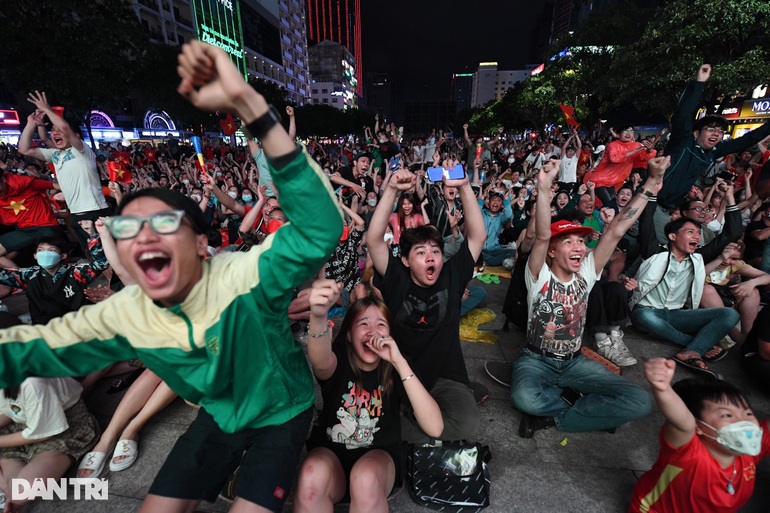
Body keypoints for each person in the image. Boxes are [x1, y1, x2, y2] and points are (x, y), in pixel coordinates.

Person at [0, 40, 343, 513]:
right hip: (220, 414)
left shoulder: (245, 275)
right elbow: (37, 348)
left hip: (280, 414)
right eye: (129, 229)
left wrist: (251, 105)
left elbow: (320, 227)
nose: (144, 237)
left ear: (202, 245)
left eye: (164, 223)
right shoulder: (130, 310)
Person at [510, 157, 662, 438]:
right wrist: (544, 189)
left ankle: (555, 417)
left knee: (641, 401)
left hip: (575, 361)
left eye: (581, 241)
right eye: (569, 241)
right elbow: (542, 237)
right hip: (536, 360)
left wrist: (651, 183)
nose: (579, 246)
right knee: (524, 398)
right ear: (553, 252)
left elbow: (617, 229)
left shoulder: (588, 273)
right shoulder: (539, 275)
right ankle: (583, 408)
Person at [294, 280, 442, 512]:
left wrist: (399, 362)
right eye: (363, 323)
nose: (373, 331)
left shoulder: (396, 369)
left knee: (366, 479)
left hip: (379, 458)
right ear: (350, 336)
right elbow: (320, 360)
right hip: (330, 455)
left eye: (381, 324)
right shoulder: (338, 361)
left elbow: (435, 428)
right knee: (311, 476)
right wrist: (319, 315)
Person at [367, 161, 486, 444]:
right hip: (399, 372)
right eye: (421, 252)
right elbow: (374, 241)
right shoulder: (397, 278)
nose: (431, 257)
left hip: (446, 376)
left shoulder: (451, 275)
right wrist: (393, 189)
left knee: (466, 424)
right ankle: (417, 426)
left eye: (435, 251)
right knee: (368, 414)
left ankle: (405, 430)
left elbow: (477, 236)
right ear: (406, 261)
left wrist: (465, 186)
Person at [629, 181, 743, 377]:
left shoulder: (698, 258)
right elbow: (647, 220)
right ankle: (695, 346)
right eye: (690, 232)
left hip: (677, 316)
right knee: (644, 316)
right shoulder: (654, 252)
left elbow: (731, 233)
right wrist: (653, 194)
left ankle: (691, 350)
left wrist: (730, 197)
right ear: (672, 236)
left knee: (730, 315)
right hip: (648, 313)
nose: (697, 237)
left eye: (698, 233)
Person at [629, 359, 770, 512]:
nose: (743, 421)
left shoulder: (750, 449)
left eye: (748, 413)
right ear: (698, 425)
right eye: (727, 415)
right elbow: (683, 423)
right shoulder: (688, 453)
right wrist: (663, 389)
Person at [18, 93, 112, 252]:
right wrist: (31, 123)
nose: (55, 133)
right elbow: (24, 149)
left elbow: (64, 127)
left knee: (111, 255)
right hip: (76, 215)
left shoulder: (82, 150)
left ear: (75, 136)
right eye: (52, 130)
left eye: (58, 131)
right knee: (93, 258)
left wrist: (47, 109)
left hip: (96, 213)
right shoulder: (55, 155)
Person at [0, 222, 108, 325]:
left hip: (78, 323)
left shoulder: (75, 272)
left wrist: (93, 235)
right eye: (41, 250)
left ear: (63, 256)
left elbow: (100, 264)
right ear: (35, 256)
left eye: (51, 250)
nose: (45, 254)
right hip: (45, 328)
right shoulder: (28, 275)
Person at [0, 166, 63, 268]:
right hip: (24, 231)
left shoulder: (26, 183)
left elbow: (56, 186)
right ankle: (21, 280)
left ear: (3, 179)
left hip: (46, 226)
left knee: (48, 259)